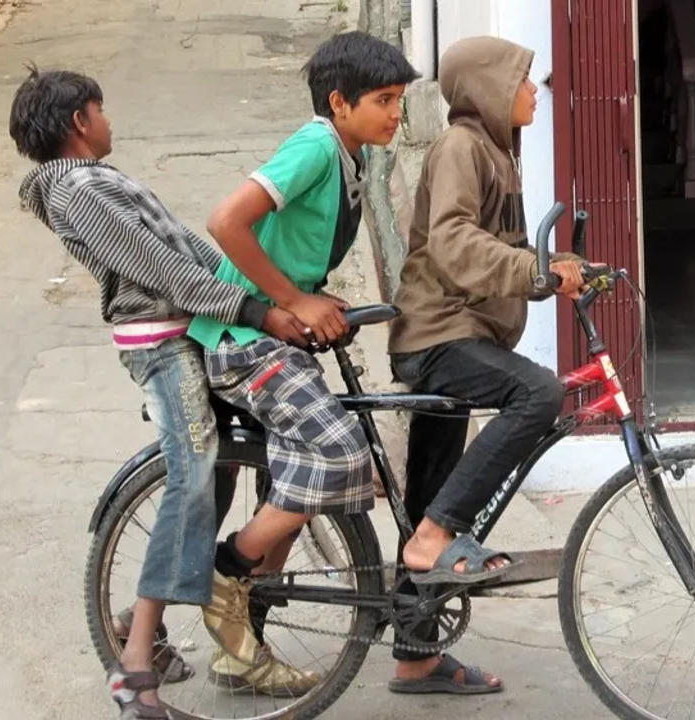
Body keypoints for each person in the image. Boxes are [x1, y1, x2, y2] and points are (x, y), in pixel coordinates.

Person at [10, 67, 302, 718]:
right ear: (79, 122)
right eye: (102, 110)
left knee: (218, 472)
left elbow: (190, 252)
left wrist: (268, 294)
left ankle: (146, 628)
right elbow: (158, 266)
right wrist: (253, 310)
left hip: (191, 328)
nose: (111, 122)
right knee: (194, 473)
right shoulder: (77, 188)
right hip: (162, 342)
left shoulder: (93, 181)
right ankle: (135, 664)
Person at [185, 31, 421, 697]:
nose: (395, 113)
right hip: (243, 341)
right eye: (382, 99)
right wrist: (291, 298)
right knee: (344, 455)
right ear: (339, 102)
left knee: (305, 477)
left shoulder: (352, 154)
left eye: (400, 100)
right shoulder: (317, 144)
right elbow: (227, 220)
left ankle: (241, 644)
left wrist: (313, 298)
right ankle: (227, 572)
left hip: (277, 342)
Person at [384, 35, 587, 695]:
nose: (535, 91)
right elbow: (452, 240)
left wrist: (565, 270)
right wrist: (534, 272)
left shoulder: (496, 151)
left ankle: (416, 656)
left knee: (427, 494)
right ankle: (439, 535)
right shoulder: (460, 148)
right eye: (525, 80)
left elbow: (500, 248)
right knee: (540, 393)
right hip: (440, 336)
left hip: (464, 333)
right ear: (491, 89)